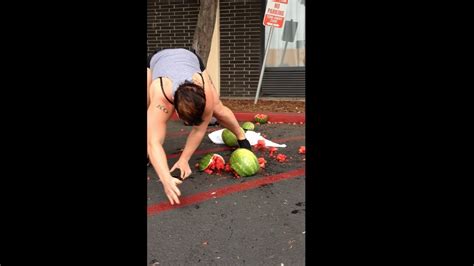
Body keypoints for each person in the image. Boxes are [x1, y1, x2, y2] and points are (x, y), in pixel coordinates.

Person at [147, 48, 251, 205]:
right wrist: (165, 178)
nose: (191, 125)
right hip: (156, 60)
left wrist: (184, 159)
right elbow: (153, 142)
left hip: (190, 57)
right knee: (151, 123)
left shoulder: (205, 92)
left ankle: (241, 136)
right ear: (175, 110)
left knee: (218, 109)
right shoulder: (160, 97)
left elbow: (199, 129)